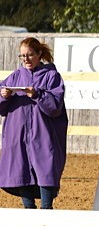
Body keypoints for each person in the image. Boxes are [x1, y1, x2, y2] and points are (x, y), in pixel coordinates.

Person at [0, 37, 69, 209]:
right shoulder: (15, 77)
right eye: (22, 56)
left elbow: (55, 106)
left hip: (44, 131)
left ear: (39, 54)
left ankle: (47, 206)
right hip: (18, 132)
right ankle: (28, 207)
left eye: (30, 55)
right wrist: (3, 96)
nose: (26, 59)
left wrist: (37, 94)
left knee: (46, 165)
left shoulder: (51, 76)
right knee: (20, 165)